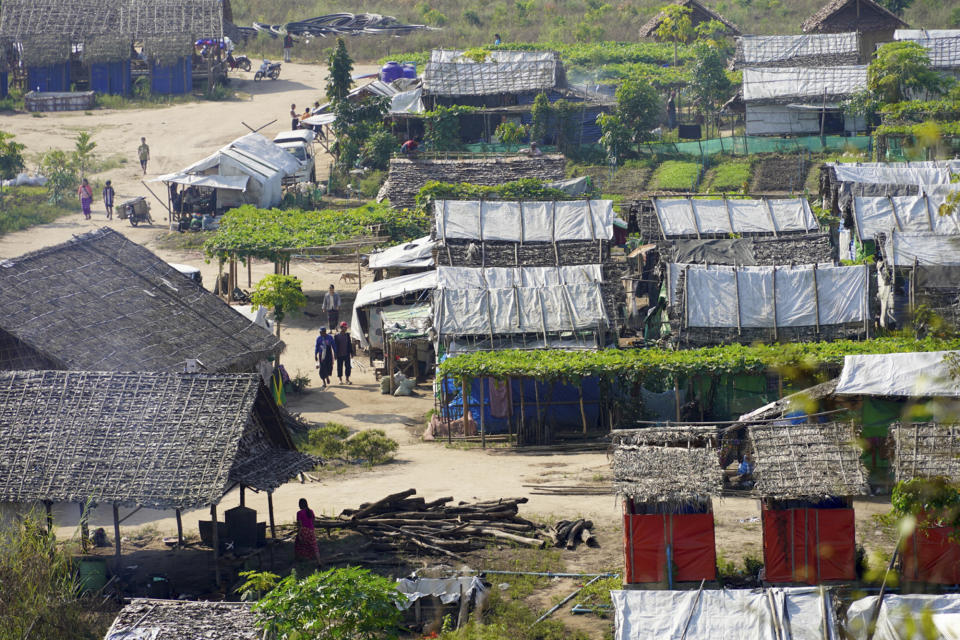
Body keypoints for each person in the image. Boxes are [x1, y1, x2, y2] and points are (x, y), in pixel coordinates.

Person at [294, 498, 321, 564]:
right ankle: (319, 562)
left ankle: (298, 561)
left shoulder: (299, 513)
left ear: (300, 505)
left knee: (298, 545)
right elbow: (313, 521)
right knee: (314, 547)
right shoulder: (310, 511)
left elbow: (300, 525)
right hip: (311, 531)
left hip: (303, 530)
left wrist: (299, 534)